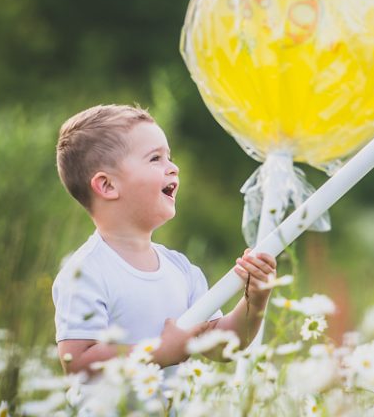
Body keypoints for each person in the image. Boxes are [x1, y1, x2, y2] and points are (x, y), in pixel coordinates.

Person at [52, 104, 276, 376]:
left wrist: (255, 298)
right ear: (108, 185)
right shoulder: (86, 272)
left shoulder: (180, 269)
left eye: (169, 157)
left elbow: (222, 343)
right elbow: (77, 362)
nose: (173, 168)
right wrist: (159, 351)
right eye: (155, 158)